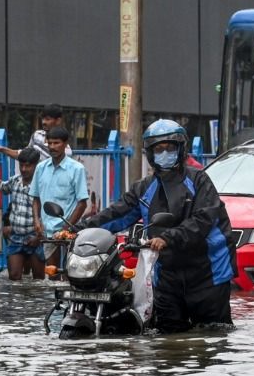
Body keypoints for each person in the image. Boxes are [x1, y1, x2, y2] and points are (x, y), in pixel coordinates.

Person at [78, 119, 234, 332]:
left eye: (169, 148)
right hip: (167, 272)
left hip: (208, 272)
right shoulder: (144, 188)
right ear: (150, 154)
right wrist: (80, 229)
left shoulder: (199, 180)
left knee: (213, 333)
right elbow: (117, 214)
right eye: (158, 149)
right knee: (167, 335)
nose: (164, 153)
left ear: (180, 149)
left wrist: (168, 238)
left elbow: (202, 220)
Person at [31, 126, 88, 275]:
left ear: (65, 144)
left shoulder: (77, 169)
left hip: (67, 232)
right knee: (52, 276)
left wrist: (66, 228)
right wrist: (36, 221)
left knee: (70, 274)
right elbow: (35, 198)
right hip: (46, 231)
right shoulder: (41, 168)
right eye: (49, 143)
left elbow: (82, 203)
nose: (52, 147)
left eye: (56, 143)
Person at [0, 148, 45, 280]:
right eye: (21, 165)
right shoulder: (15, 181)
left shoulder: (42, 184)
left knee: (39, 279)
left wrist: (39, 237)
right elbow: (2, 187)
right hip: (15, 237)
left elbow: (47, 214)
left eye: (28, 166)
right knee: (14, 276)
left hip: (35, 237)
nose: (24, 169)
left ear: (36, 165)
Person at [0, 104, 71, 159]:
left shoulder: (66, 151)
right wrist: (2, 149)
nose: (43, 122)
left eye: (47, 119)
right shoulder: (37, 135)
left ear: (58, 121)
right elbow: (25, 155)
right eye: (42, 119)